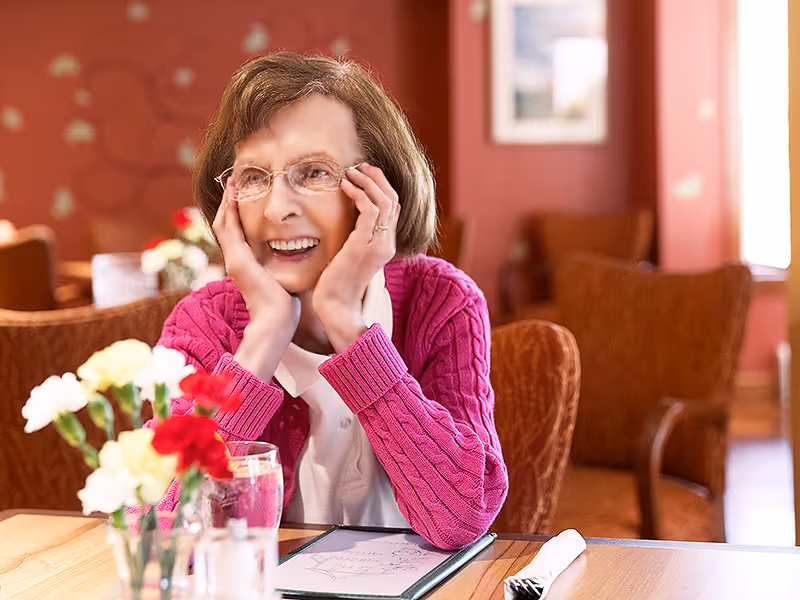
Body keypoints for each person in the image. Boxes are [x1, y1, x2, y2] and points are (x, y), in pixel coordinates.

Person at [156, 51, 507, 550]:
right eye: (254, 177)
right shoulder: (203, 322)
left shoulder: (443, 301)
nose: (278, 209)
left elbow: (463, 516)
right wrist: (263, 337)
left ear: (379, 190)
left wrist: (345, 321)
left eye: (314, 172)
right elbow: (161, 532)